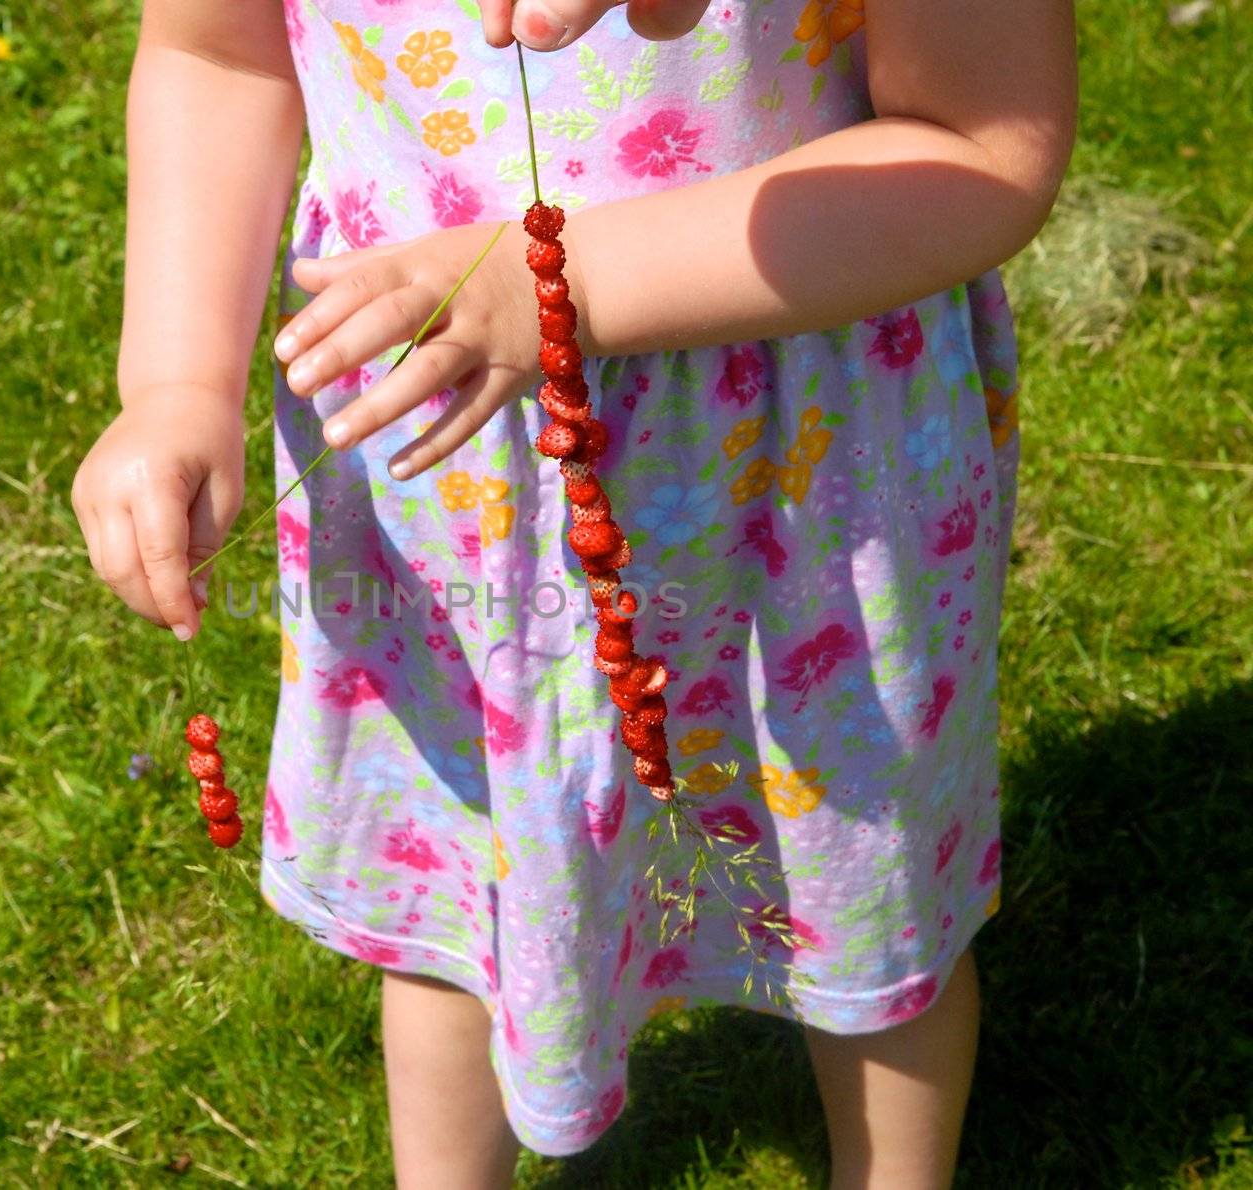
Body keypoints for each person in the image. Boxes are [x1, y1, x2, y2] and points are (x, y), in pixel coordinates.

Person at [71, 1, 1076, 1184]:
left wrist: (563, 280)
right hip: (444, 478)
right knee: (468, 875)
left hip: (796, 473)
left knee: (856, 858)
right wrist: (177, 379)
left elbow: (978, 146)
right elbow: (215, 54)